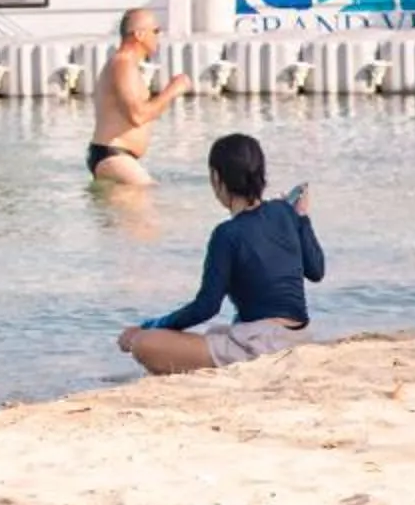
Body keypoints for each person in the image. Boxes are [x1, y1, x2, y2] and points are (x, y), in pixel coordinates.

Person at [117, 133, 324, 374]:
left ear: (217, 178)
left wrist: (148, 327)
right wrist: (302, 219)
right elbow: (316, 271)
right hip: (299, 338)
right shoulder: (284, 211)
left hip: (262, 346)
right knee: (219, 333)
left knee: (144, 345)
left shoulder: (227, 234)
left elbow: (206, 307)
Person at [86, 6, 191, 185]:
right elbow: (137, 115)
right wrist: (172, 90)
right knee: (152, 197)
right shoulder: (123, 64)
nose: (159, 36)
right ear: (139, 34)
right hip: (114, 156)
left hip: (116, 156)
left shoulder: (127, 64)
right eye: (156, 31)